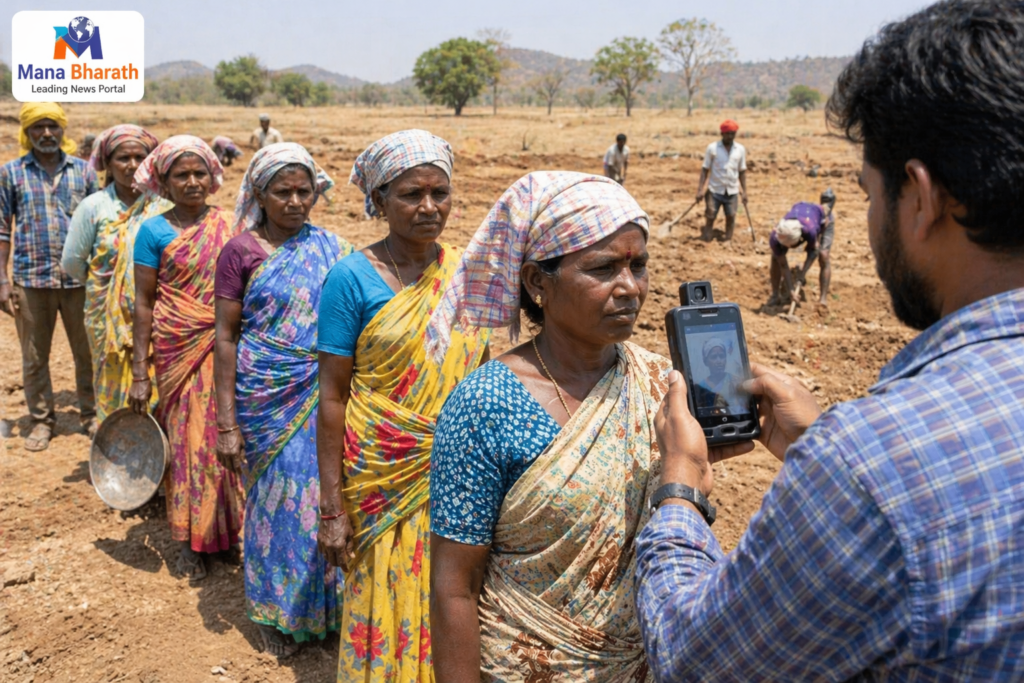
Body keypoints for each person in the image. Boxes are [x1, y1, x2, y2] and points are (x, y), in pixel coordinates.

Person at [636, 1, 1024, 679]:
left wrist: (679, 490)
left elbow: (696, 662)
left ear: (922, 198)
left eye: (871, 193)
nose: (872, 217)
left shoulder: (870, 464)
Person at [428, 171, 667, 681]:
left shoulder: (658, 384)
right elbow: (454, 586)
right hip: (521, 665)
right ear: (538, 282)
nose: (629, 288)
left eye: (639, 265)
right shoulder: (485, 405)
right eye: (603, 269)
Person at [316, 129, 489, 681]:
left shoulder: (466, 274)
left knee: (454, 588)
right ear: (380, 201)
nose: (429, 207)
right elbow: (332, 395)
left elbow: (483, 376)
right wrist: (331, 506)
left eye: (440, 193)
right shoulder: (349, 279)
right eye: (412, 195)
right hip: (380, 469)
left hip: (456, 466)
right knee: (384, 580)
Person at [213, 143, 352, 658]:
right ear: (260, 194)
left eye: (304, 191)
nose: (295, 201)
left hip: (325, 389)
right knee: (276, 502)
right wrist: (226, 422)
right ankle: (280, 615)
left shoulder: (335, 249)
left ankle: (329, 610)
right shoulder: (241, 252)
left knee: (324, 499)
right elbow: (225, 337)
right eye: (283, 191)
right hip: (265, 394)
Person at [128, 135, 244, 584]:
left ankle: (225, 532)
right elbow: (143, 302)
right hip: (177, 350)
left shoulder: (231, 225)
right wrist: (140, 371)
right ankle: (187, 542)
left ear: (212, 177)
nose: (192, 182)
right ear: (164, 181)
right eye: (181, 175)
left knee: (223, 438)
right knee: (183, 443)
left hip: (224, 347)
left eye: (199, 173)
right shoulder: (153, 231)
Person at [0, 103, 98, 451]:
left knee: (87, 351)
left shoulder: (84, 172)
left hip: (79, 281)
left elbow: (98, 225)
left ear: (62, 130)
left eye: (52, 126)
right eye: (38, 127)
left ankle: (91, 414)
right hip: (30, 280)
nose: (46, 133)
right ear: (26, 133)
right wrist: (2, 280)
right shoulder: (10, 173)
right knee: (34, 355)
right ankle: (41, 420)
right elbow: (2, 230)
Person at [62, 125, 171, 422]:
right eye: (124, 158)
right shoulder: (93, 207)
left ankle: (158, 454)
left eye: (140, 157)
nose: (133, 165)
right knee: (111, 386)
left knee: (157, 385)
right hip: (104, 318)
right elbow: (72, 262)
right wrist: (110, 290)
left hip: (157, 315)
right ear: (108, 163)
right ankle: (115, 445)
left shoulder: (165, 207)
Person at [767, 190, 836, 309]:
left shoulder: (810, 231)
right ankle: (775, 295)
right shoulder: (776, 236)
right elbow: (783, 265)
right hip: (801, 210)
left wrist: (802, 275)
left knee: (823, 255)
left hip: (822, 219)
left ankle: (823, 299)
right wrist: (791, 291)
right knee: (775, 257)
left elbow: (813, 253)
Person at [695, 120, 747, 242]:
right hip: (715, 190)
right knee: (710, 214)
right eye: (728, 133)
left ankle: (728, 238)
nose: (730, 136)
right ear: (722, 133)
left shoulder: (740, 149)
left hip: (732, 190)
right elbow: (705, 169)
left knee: (731, 215)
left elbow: (742, 171)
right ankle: (706, 236)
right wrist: (700, 190)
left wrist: (744, 191)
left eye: (733, 133)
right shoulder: (712, 148)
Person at [692, 337, 743, 412]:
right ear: (706, 361)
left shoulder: (735, 381)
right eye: (714, 357)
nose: (719, 361)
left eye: (722, 356)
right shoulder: (700, 387)